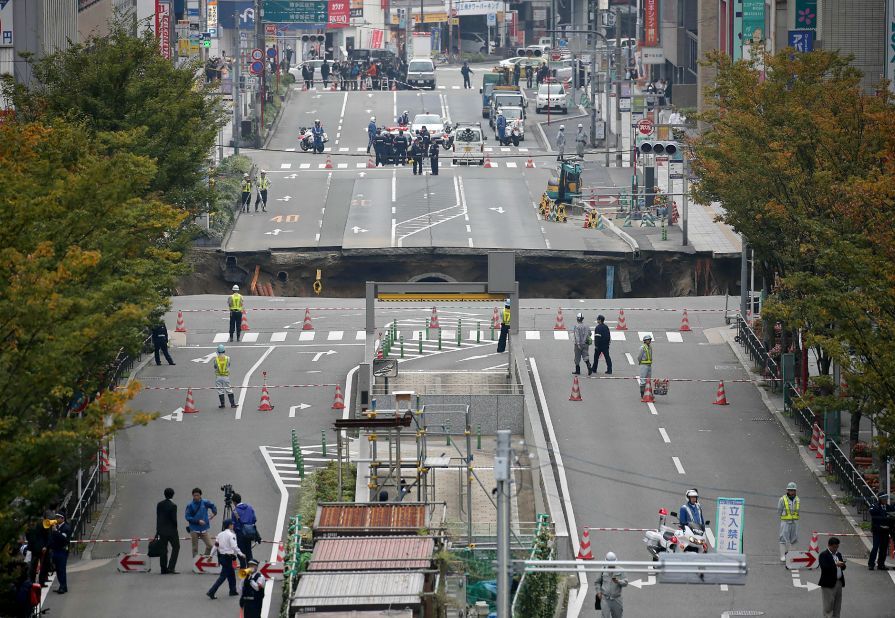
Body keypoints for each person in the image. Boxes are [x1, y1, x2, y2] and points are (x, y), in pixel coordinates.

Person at [206, 519, 244, 600]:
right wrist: (241, 554)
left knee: (231, 574)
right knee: (223, 576)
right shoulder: (231, 535)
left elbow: (215, 546)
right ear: (229, 525)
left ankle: (233, 590)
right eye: (232, 524)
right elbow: (234, 546)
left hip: (222, 557)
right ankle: (211, 591)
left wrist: (211, 555)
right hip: (228, 558)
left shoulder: (219, 534)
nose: (233, 525)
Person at [185, 488, 217, 557]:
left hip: (204, 529)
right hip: (194, 529)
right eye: (194, 495)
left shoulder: (205, 502)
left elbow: (212, 505)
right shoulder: (190, 505)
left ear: (200, 495)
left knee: (210, 546)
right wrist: (198, 521)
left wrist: (214, 513)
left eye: (197, 495)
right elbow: (187, 517)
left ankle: (203, 560)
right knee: (195, 548)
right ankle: (195, 564)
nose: (196, 497)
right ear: (192, 495)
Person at [818, 537, 845, 618]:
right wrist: (836, 564)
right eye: (834, 547)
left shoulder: (838, 554)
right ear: (829, 546)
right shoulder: (823, 555)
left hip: (839, 582)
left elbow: (843, 568)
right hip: (828, 583)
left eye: (837, 547)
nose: (836, 549)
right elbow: (824, 568)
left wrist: (843, 564)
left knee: (837, 604)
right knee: (828, 605)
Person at [156, 487, 180, 574]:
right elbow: (174, 519)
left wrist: (158, 530)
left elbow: (158, 518)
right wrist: (175, 529)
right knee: (176, 547)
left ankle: (163, 568)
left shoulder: (159, 504)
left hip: (161, 530)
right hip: (171, 531)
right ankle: (171, 567)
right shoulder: (173, 506)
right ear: (172, 495)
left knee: (163, 549)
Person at [596, 551, 627, 617]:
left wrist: (618, 581)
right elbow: (597, 582)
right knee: (605, 616)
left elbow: (626, 583)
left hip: (616, 599)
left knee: (617, 616)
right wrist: (598, 592)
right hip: (605, 598)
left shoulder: (621, 570)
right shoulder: (603, 570)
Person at [868, 493, 893, 570]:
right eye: (883, 498)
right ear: (880, 499)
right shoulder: (874, 506)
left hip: (886, 530)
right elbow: (873, 516)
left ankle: (881, 564)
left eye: (886, 498)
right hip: (877, 530)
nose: (885, 500)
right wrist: (885, 518)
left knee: (884, 548)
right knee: (875, 547)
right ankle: (871, 564)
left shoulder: (889, 507)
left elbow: (892, 518)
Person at [232, 493, 258, 568]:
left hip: (240, 534)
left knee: (241, 552)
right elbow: (254, 519)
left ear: (234, 502)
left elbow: (233, 525)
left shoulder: (235, 511)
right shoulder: (249, 507)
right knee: (249, 551)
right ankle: (250, 568)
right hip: (249, 533)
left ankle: (243, 568)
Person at [47, 514, 70, 594]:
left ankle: (63, 587)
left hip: (62, 551)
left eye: (58, 517)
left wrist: (56, 531)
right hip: (56, 550)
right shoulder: (57, 527)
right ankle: (62, 586)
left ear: (62, 518)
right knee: (58, 570)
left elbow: (63, 539)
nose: (56, 519)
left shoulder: (66, 528)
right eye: (56, 517)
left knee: (61, 569)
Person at [778, 481, 799, 562]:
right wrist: (784, 517)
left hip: (795, 522)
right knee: (783, 538)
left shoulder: (797, 499)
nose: (792, 492)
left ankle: (792, 555)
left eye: (793, 490)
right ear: (787, 490)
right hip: (785, 522)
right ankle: (782, 556)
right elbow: (779, 510)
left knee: (794, 538)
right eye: (790, 490)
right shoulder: (782, 499)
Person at [215, 344, 238, 409]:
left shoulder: (216, 359)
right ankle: (232, 404)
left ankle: (222, 405)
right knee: (229, 389)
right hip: (225, 376)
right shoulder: (228, 358)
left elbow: (215, 366)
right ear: (224, 350)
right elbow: (229, 365)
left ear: (218, 351)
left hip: (218, 377)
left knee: (220, 390)